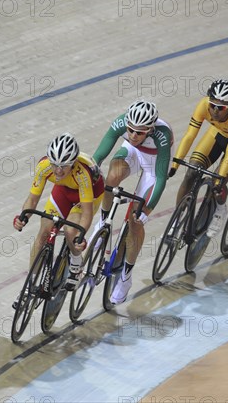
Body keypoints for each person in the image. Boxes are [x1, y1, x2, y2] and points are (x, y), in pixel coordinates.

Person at [92, 100, 174, 304]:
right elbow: (101, 151)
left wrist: (148, 209)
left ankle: (126, 276)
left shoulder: (162, 135)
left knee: (134, 221)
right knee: (110, 179)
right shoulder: (123, 124)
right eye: (130, 130)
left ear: (150, 129)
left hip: (154, 167)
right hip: (133, 153)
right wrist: (94, 166)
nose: (133, 135)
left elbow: (161, 177)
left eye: (139, 132)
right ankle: (103, 222)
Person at [12, 133, 104, 307]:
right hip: (63, 190)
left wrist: (80, 237)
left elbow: (86, 213)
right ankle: (29, 285)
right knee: (44, 232)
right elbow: (32, 199)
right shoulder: (44, 166)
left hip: (89, 194)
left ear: (73, 162)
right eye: (55, 165)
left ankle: (76, 265)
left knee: (71, 231)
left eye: (64, 166)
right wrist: (22, 217)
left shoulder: (82, 173)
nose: (58, 170)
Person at [168, 79, 228, 237]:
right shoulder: (203, 104)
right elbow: (190, 135)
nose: (215, 111)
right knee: (190, 173)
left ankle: (220, 209)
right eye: (212, 105)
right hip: (216, 135)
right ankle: (177, 218)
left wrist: (220, 179)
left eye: (221, 108)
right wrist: (175, 164)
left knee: (217, 183)